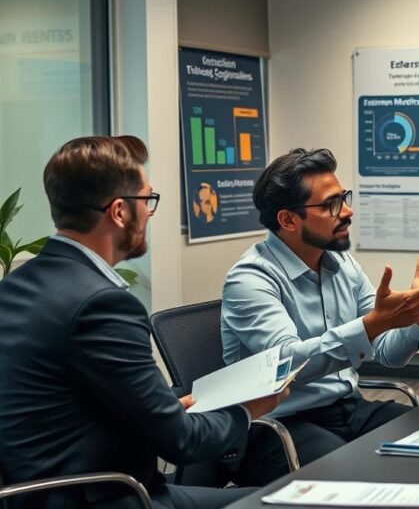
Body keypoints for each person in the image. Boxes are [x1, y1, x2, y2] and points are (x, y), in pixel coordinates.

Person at [0, 136, 283, 509]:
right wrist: (251, 409)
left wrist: (162, 405)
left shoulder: (15, 286)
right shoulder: (103, 304)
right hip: (106, 497)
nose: (150, 212)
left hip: (37, 495)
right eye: (147, 200)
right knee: (281, 502)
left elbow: (66, 400)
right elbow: (182, 444)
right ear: (119, 212)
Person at [221, 148, 419, 486]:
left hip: (346, 407)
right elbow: (285, 366)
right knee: (359, 477)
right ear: (288, 220)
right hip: (275, 425)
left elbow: (390, 354)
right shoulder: (251, 279)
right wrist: (376, 324)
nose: (348, 211)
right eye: (331, 204)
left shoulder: (342, 264)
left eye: (343, 198)